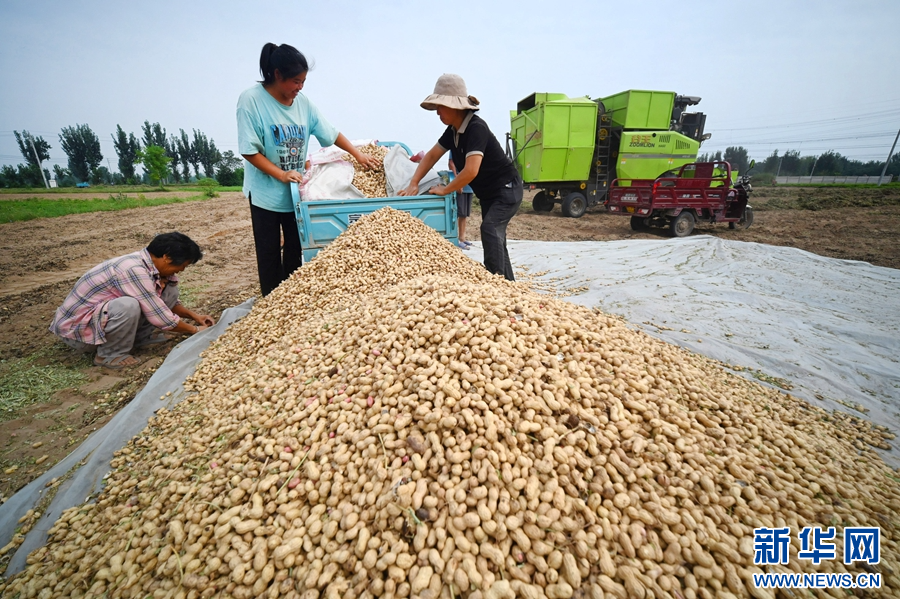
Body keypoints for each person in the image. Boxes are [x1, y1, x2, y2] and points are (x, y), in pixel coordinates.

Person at [237, 43, 378, 296]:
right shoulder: (251, 100)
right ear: (277, 74)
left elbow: (330, 133)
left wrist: (358, 154)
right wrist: (281, 174)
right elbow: (249, 150)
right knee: (269, 251)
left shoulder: (303, 103)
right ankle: (271, 301)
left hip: (297, 191)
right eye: (295, 81)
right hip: (265, 193)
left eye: (303, 82)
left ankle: (290, 296)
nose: (299, 88)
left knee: (295, 246)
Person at [399, 74, 522, 281]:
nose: (437, 112)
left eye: (441, 106)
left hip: (506, 189)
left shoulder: (476, 128)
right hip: (490, 194)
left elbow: (471, 171)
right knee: (497, 241)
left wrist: (445, 189)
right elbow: (431, 156)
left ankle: (496, 286)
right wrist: (414, 182)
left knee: (490, 229)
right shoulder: (453, 131)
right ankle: (509, 286)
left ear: (455, 106)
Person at [49, 232, 215, 370]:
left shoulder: (151, 267)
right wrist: (194, 330)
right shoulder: (133, 269)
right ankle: (109, 355)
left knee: (169, 288)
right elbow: (161, 317)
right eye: (183, 265)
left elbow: (165, 303)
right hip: (79, 333)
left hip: (100, 320)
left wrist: (195, 316)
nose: (181, 269)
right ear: (166, 257)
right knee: (128, 306)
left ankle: (141, 338)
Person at [448, 157, 473, 250]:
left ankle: (462, 238)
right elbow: (451, 163)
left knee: (464, 214)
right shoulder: (455, 146)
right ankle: (455, 239)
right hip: (460, 187)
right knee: (457, 213)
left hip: (469, 187)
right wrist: (458, 181)